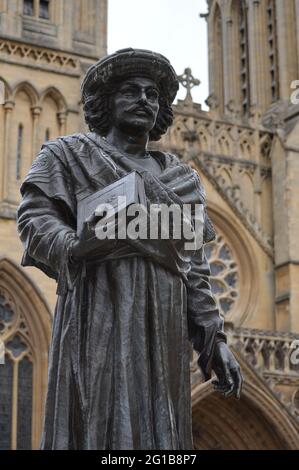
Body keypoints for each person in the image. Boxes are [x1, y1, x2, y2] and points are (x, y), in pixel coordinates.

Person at [17, 48, 242, 450]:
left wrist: (214, 340)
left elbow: (194, 269)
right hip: (99, 308)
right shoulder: (68, 156)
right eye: (131, 91)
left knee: (161, 435)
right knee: (98, 426)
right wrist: (75, 245)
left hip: (163, 325)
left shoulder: (182, 179)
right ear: (105, 102)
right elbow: (35, 218)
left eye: (153, 95)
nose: (144, 100)